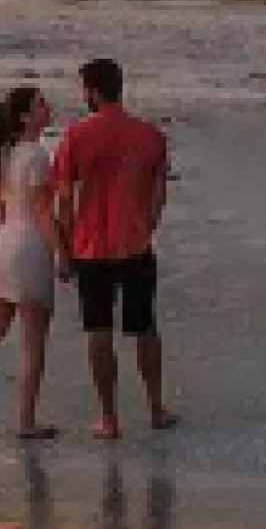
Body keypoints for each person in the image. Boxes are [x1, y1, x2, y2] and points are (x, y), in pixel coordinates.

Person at [51, 59, 179, 441]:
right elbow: (158, 196)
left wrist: (65, 246)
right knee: (144, 327)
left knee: (98, 330)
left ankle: (108, 418)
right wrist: (145, 227)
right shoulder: (150, 135)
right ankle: (155, 408)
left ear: (91, 91)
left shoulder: (75, 136)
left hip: (90, 247)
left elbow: (63, 199)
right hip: (134, 242)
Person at [0, 86, 70, 440]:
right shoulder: (38, 155)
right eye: (40, 104)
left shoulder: (3, 154)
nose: (47, 107)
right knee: (32, 341)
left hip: (2, 245)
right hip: (30, 250)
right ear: (25, 117)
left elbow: (2, 210)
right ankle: (25, 421)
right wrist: (63, 253)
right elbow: (41, 212)